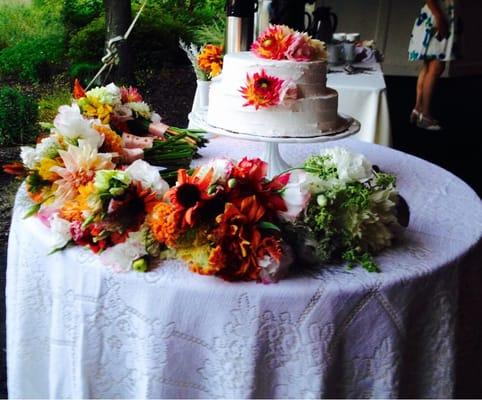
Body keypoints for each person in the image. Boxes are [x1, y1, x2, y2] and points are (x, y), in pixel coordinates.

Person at [408, 0, 456, 130]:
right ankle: (425, 115)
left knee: (428, 66)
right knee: (435, 67)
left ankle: (418, 109)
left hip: (437, 15)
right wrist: (439, 17)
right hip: (438, 16)